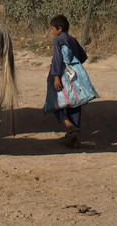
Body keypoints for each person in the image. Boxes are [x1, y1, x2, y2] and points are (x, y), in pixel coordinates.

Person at [46, 14, 89, 148]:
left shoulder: (57, 40)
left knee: (54, 103)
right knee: (75, 103)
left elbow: (57, 59)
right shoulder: (72, 39)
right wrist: (73, 65)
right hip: (74, 76)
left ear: (59, 29)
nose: (51, 32)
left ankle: (68, 125)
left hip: (61, 76)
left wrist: (56, 76)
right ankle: (74, 139)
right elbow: (83, 56)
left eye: (52, 29)